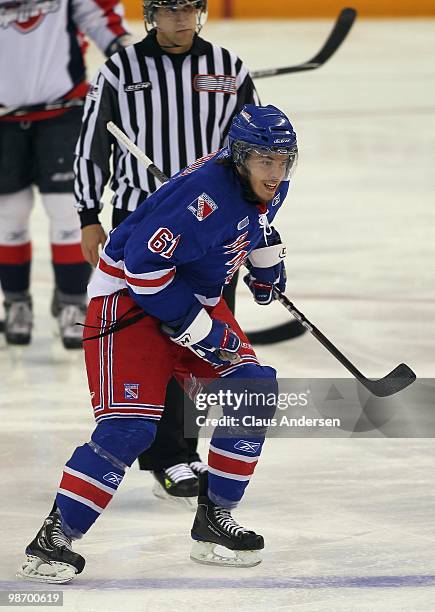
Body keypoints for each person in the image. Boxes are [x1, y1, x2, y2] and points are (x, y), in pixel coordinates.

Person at [18, 104, 298, 581]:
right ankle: (53, 540)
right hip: (127, 304)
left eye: (283, 160)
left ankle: (214, 520)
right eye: (265, 161)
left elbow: (257, 220)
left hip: (190, 295)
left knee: (252, 389)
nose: (275, 172)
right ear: (239, 157)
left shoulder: (265, 183)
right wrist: (198, 330)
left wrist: (264, 260)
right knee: (130, 429)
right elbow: (143, 270)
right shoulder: (201, 198)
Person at [74, 0, 260, 504]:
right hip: (142, 234)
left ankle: (188, 446)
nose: (181, 20)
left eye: (190, 9)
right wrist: (89, 215)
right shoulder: (120, 68)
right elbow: (92, 144)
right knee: (156, 338)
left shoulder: (229, 68)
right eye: (170, 10)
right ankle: (166, 454)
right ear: (151, 14)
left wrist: (259, 234)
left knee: (205, 344)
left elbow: (255, 143)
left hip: (215, 233)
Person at [0, 0, 131, 348]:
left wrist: (127, 52)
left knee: (65, 210)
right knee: (7, 212)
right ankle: (16, 301)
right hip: (2, 121)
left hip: (63, 110)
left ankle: (72, 300)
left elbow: (97, 13)